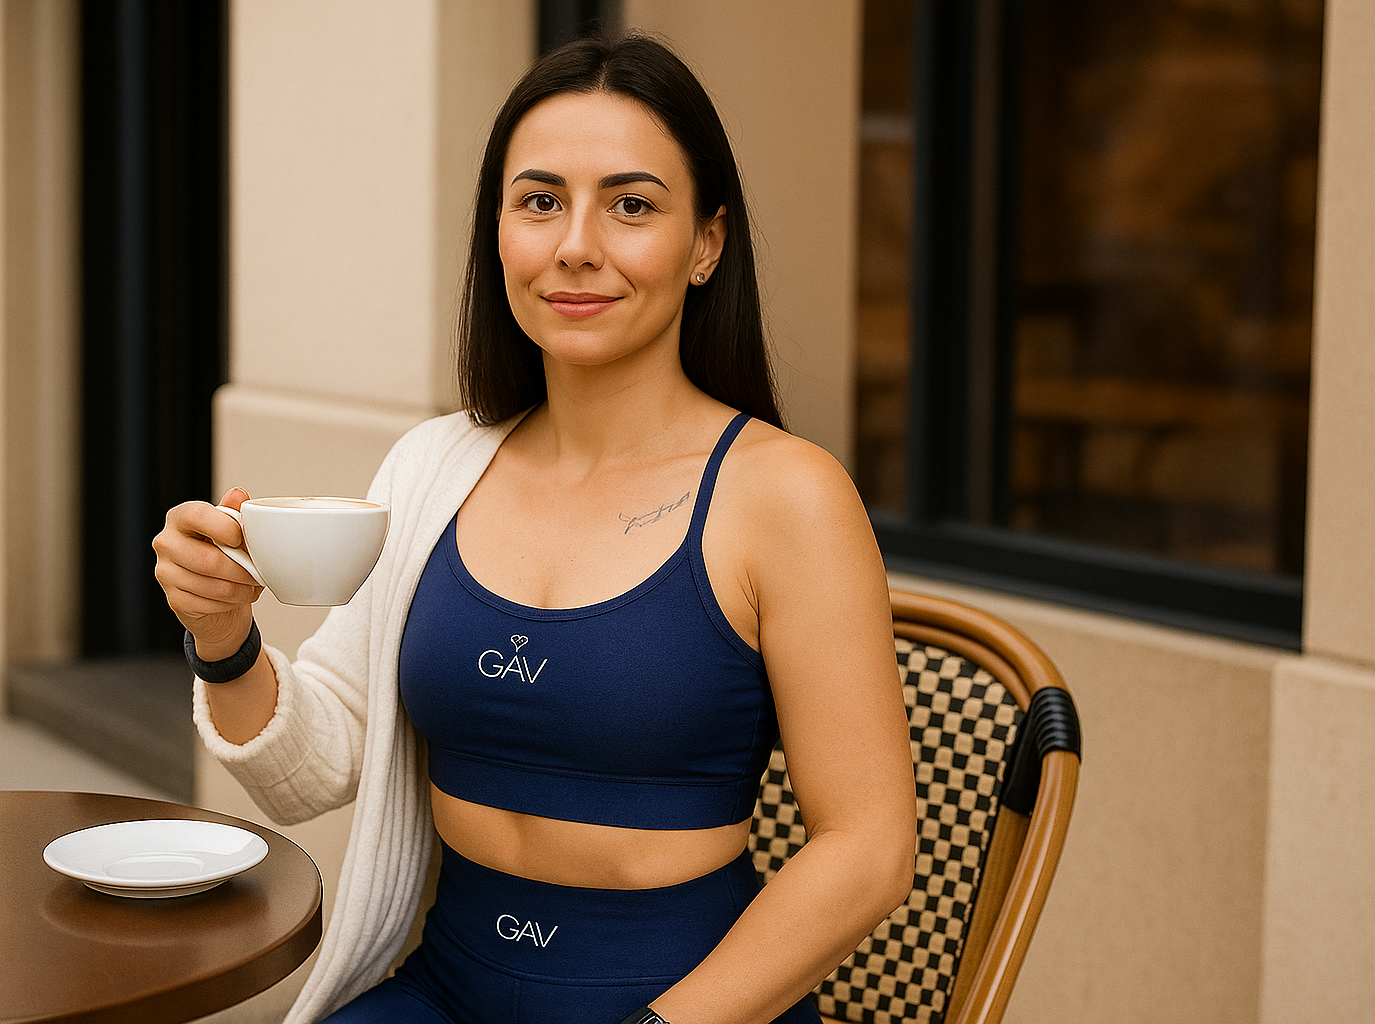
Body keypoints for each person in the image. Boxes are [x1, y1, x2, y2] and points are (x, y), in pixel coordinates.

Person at [154, 33, 915, 1024]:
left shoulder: (788, 496)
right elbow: (319, 763)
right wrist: (223, 639)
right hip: (446, 987)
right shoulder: (433, 469)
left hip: (683, 1005)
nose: (575, 245)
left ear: (706, 244)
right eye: (540, 200)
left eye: (632, 205)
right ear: (499, 231)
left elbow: (869, 849)